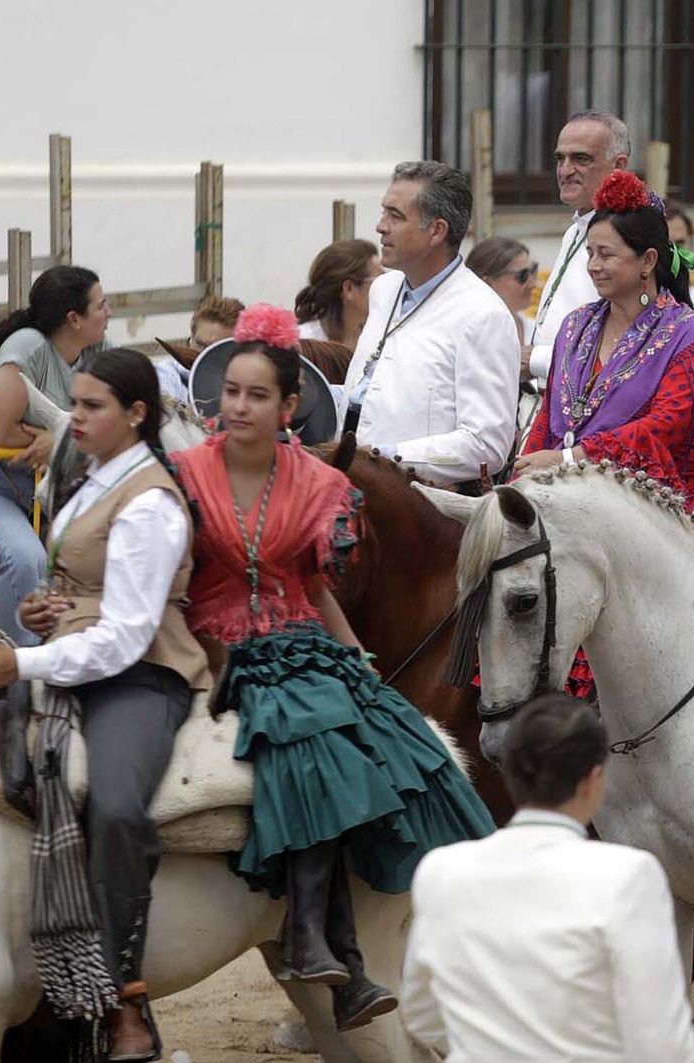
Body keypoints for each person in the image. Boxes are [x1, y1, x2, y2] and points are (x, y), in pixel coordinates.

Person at [172, 304, 495, 1032]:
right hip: (223, 645)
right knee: (311, 726)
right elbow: (175, 582)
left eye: (257, 395)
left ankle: (363, 943)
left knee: (410, 744)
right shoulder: (186, 475)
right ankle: (327, 945)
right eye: (231, 392)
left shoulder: (313, 483)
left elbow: (314, 589)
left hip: (302, 641)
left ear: (288, 407)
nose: (238, 406)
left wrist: (359, 661)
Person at [0, 347, 210, 1061]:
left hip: (141, 675)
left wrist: (25, 658)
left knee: (115, 805)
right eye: (73, 402)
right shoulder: (93, 477)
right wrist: (45, 610)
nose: (72, 417)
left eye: (90, 406)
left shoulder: (151, 502)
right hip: (75, 655)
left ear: (136, 414)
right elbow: (86, 587)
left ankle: (126, 999)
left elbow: (127, 638)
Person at [402, 693, 694, 1062]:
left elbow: (421, 1016)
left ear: (511, 774)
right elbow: (661, 1044)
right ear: (593, 779)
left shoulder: (440, 871)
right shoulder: (631, 876)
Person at [516, 170, 694, 531]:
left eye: (606, 254)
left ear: (647, 260)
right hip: (572, 495)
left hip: (667, 509)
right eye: (590, 253)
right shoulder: (575, 326)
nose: (593, 266)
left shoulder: (690, 335)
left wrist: (568, 459)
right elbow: (546, 422)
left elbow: (664, 429)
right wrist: (521, 478)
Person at [0, 265, 110, 645]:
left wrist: (58, 440)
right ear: (74, 319)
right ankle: (11, 669)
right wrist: (62, 440)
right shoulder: (27, 347)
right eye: (101, 306)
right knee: (24, 559)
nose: (109, 312)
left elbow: (113, 422)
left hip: (49, 491)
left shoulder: (99, 350)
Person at [344, 162, 520, 484]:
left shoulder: (484, 316)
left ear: (437, 231)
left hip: (419, 502)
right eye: (384, 212)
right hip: (354, 485)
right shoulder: (384, 289)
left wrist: (382, 457)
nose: (380, 227)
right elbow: (372, 393)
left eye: (395, 216)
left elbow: (486, 446)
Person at [524, 112, 631, 385]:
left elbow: (628, 349)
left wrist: (535, 360)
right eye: (560, 159)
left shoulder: (631, 239)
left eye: (581, 159)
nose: (565, 171)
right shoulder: (576, 229)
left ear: (619, 166)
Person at [157, 295, 246, 406]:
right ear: (191, 339)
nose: (204, 354)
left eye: (216, 349)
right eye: (199, 344)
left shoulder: (247, 384)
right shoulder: (166, 375)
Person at [295, 239, 382, 345]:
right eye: (379, 280)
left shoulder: (378, 339)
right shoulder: (300, 345)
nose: (386, 287)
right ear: (349, 289)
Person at [464, 235, 537, 346]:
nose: (533, 285)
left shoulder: (536, 330)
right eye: (523, 275)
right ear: (487, 283)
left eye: (533, 271)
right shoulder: (467, 334)